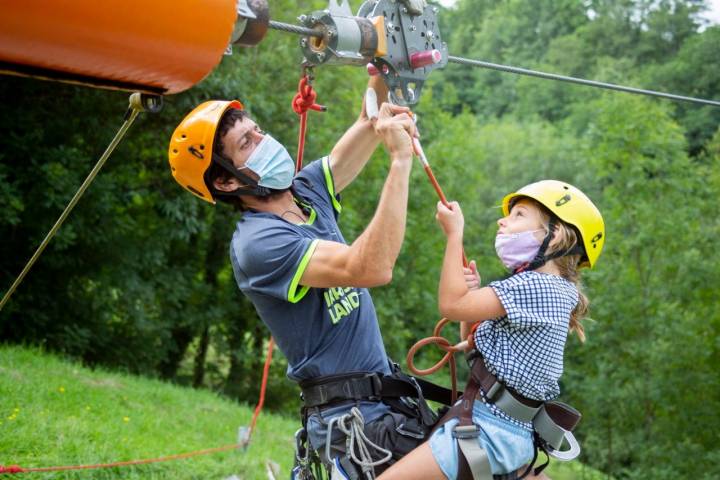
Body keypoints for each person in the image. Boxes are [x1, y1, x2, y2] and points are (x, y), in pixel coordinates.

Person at [167, 78, 438, 478]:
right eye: (247, 143)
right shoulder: (259, 243)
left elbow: (369, 115)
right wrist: (400, 163)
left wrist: (383, 59)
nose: (264, 139)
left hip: (386, 403)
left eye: (256, 130)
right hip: (352, 424)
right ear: (225, 182)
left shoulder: (306, 191)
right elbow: (370, 268)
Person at [377, 180, 605, 480]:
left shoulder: (539, 287)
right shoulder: (546, 290)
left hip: (489, 429)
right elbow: (471, 343)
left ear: (555, 235)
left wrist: (454, 235)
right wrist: (471, 299)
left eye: (519, 214)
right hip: (500, 427)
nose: (503, 220)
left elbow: (450, 304)